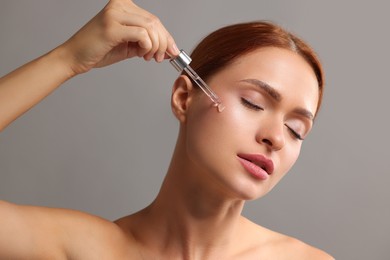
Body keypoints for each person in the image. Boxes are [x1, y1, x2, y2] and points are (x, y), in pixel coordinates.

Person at [0, 0, 334, 259]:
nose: (275, 137)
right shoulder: (88, 249)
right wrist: (67, 59)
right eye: (253, 103)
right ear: (184, 97)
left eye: (295, 130)